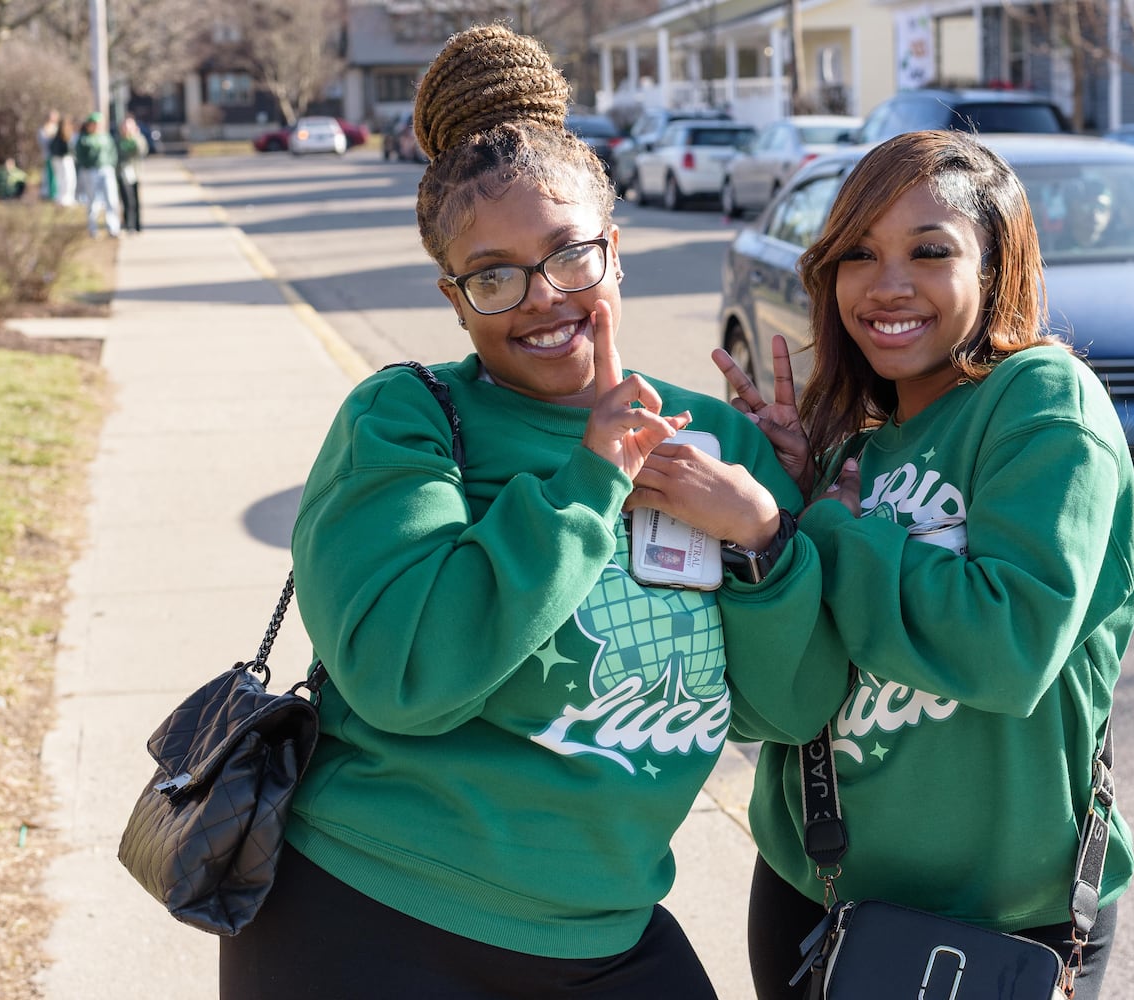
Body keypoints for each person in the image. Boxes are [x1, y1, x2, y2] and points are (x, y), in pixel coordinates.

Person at [217, 24, 846, 1000]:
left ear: (615, 249)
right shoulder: (406, 422)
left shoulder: (719, 441)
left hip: (602, 928)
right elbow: (405, 674)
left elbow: (789, 707)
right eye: (495, 275)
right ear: (454, 299)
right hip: (370, 917)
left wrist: (766, 536)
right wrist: (588, 481)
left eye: (569, 257)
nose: (543, 298)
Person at [713, 130, 1134, 1000]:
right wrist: (775, 534)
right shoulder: (841, 448)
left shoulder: (1040, 401)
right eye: (859, 254)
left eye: (929, 250)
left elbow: (1007, 646)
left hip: (1004, 922)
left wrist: (833, 538)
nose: (887, 284)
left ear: (994, 268)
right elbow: (769, 710)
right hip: (819, 900)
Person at [73, 112, 121, 237]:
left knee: (111, 198)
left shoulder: (105, 137)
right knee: (92, 200)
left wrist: (111, 164)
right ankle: (93, 228)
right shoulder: (84, 139)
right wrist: (88, 163)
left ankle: (113, 227)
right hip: (90, 171)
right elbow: (79, 156)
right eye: (94, 124)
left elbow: (112, 153)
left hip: (106, 169)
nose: (97, 126)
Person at [115, 114, 148, 232]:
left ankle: (138, 225)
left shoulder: (138, 139)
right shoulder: (118, 140)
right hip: (122, 173)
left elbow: (142, 151)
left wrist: (134, 137)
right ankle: (129, 224)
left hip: (135, 172)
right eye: (124, 126)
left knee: (136, 200)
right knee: (126, 199)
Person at [49, 115, 77, 207]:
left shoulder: (67, 135)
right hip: (61, 159)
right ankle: (63, 198)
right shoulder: (60, 136)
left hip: (65, 159)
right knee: (65, 179)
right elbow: (64, 149)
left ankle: (68, 198)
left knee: (69, 179)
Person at [37, 109, 60, 200]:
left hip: (58, 156)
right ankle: (52, 194)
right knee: (51, 176)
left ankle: (57, 193)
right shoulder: (43, 129)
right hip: (49, 155)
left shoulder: (57, 127)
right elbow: (44, 142)